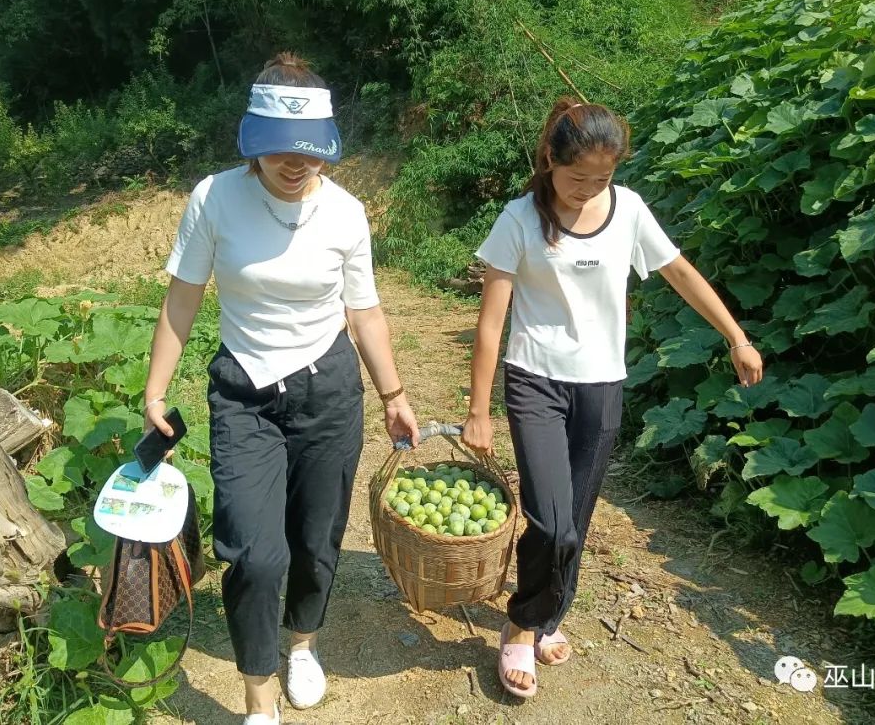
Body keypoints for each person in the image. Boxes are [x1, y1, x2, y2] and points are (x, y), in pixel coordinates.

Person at [142, 52, 419, 725]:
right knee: (254, 550)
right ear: (252, 144)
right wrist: (155, 392)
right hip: (245, 392)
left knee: (318, 538)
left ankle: (303, 644)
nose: (295, 165)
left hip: (329, 391)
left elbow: (365, 311)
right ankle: (257, 699)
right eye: (278, 151)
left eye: (310, 153)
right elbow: (183, 299)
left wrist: (393, 394)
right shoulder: (215, 199)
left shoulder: (347, 214)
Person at [460, 96, 764, 698]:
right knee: (549, 518)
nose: (588, 190)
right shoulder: (519, 219)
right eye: (578, 178)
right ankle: (522, 628)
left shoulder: (628, 210)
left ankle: (547, 615)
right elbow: (492, 320)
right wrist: (478, 409)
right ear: (550, 160)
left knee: (575, 521)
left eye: (602, 178)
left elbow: (680, 273)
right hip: (535, 380)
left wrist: (736, 337)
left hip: (602, 382)